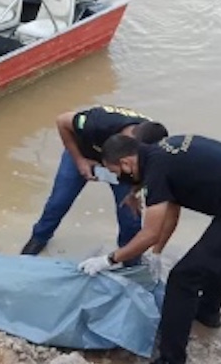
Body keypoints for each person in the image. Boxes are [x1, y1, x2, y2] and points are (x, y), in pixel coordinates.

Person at [77, 132, 221, 364]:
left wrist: (109, 259)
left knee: (183, 278)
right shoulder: (162, 153)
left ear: (128, 163)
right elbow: (171, 214)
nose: (119, 179)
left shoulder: (157, 172)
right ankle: (208, 312)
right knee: (213, 257)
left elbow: (149, 233)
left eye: (117, 172)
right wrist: (157, 253)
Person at [20, 105, 169, 262]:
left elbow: (152, 173)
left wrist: (135, 191)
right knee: (59, 201)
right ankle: (39, 237)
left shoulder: (155, 144)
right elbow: (62, 121)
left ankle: (129, 258)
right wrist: (79, 160)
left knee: (130, 214)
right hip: (84, 153)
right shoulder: (98, 122)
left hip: (125, 169)